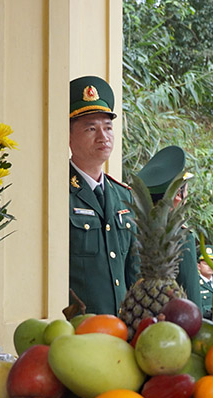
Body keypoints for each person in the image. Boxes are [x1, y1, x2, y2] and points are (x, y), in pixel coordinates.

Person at [69, 76, 138, 315]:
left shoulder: (124, 197)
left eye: (108, 127)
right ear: (67, 135)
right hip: (77, 332)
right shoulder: (58, 194)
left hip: (121, 330)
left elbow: (135, 273)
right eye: (91, 128)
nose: (103, 136)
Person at [137, 145, 202, 306]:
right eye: (185, 191)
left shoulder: (134, 230)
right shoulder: (181, 236)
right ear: (178, 196)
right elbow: (191, 294)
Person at [197, 244, 213, 319]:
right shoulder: (195, 285)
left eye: (212, 263)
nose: (210, 266)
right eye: (206, 264)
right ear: (199, 266)